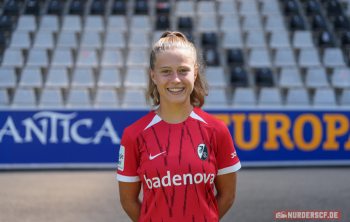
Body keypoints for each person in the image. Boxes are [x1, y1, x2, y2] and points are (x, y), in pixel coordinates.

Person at [117, 31, 241, 222]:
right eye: (166, 71)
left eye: (183, 70)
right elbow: (128, 201)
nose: (175, 79)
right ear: (153, 76)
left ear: (195, 72)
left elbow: (227, 196)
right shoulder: (133, 135)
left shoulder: (217, 130)